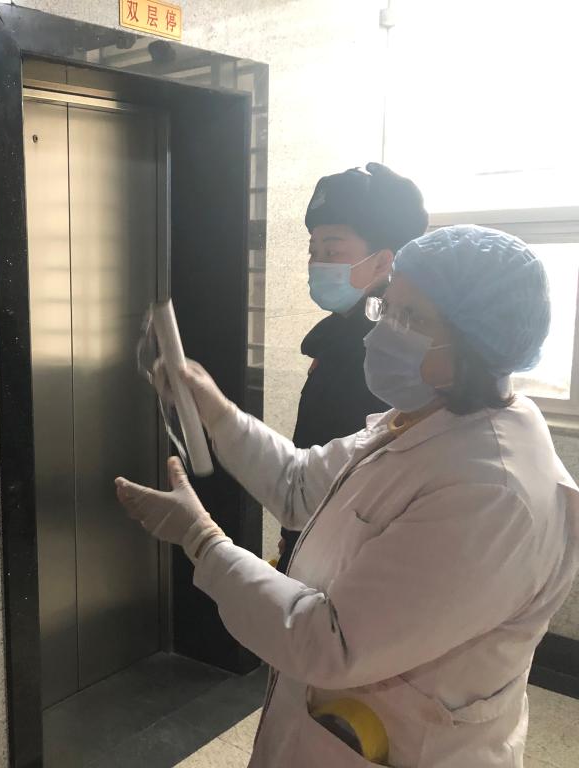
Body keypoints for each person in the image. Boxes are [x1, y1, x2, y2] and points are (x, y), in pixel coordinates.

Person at [116, 225, 579, 767]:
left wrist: (202, 542)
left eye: (413, 318)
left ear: (479, 342)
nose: (381, 333)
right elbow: (298, 484)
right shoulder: (422, 418)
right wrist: (214, 410)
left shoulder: (493, 493)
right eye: (388, 307)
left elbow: (332, 644)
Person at [277, 162, 428, 573]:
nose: (316, 263)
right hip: (313, 528)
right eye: (313, 250)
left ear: (382, 262)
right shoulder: (338, 336)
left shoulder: (387, 349)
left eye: (332, 250)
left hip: (345, 552)